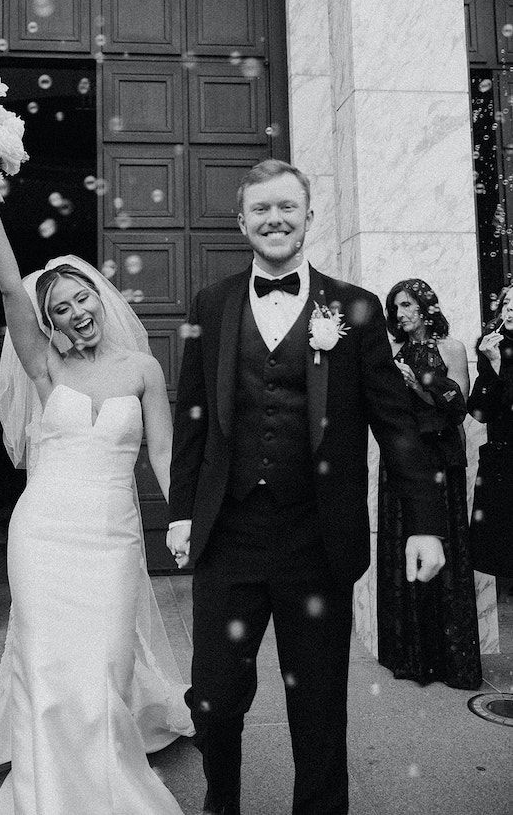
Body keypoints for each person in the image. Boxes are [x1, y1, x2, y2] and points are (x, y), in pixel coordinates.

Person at [166, 159, 446, 815]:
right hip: (229, 537)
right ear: (241, 222)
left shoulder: (354, 310)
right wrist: (181, 512)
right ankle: (221, 804)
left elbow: (396, 425)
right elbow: (194, 422)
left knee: (318, 702)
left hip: (317, 541)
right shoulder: (211, 304)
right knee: (212, 696)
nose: (274, 219)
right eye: (260, 209)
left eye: (286, 207)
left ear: (309, 217)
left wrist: (428, 521)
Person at [0, 199, 192, 815]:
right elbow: (7, 289)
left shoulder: (143, 369)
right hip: (44, 530)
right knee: (46, 662)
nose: (76, 314)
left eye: (82, 298)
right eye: (60, 309)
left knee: (106, 662)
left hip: (113, 535)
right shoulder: (45, 367)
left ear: (101, 296)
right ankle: (47, 789)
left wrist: (181, 516)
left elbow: (163, 452)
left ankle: (109, 772)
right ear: (49, 322)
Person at [378, 279, 481, 689]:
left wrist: (420, 380)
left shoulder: (450, 348)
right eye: (395, 307)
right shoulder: (390, 353)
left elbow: (459, 407)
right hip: (402, 459)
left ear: (425, 307)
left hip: (440, 457)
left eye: (407, 305)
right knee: (402, 546)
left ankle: (450, 659)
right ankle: (410, 656)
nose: (400, 314)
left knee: (446, 548)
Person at [467, 284, 513, 579]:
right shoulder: (492, 350)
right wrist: (494, 364)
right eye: (507, 301)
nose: (510, 307)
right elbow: (480, 411)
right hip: (505, 462)